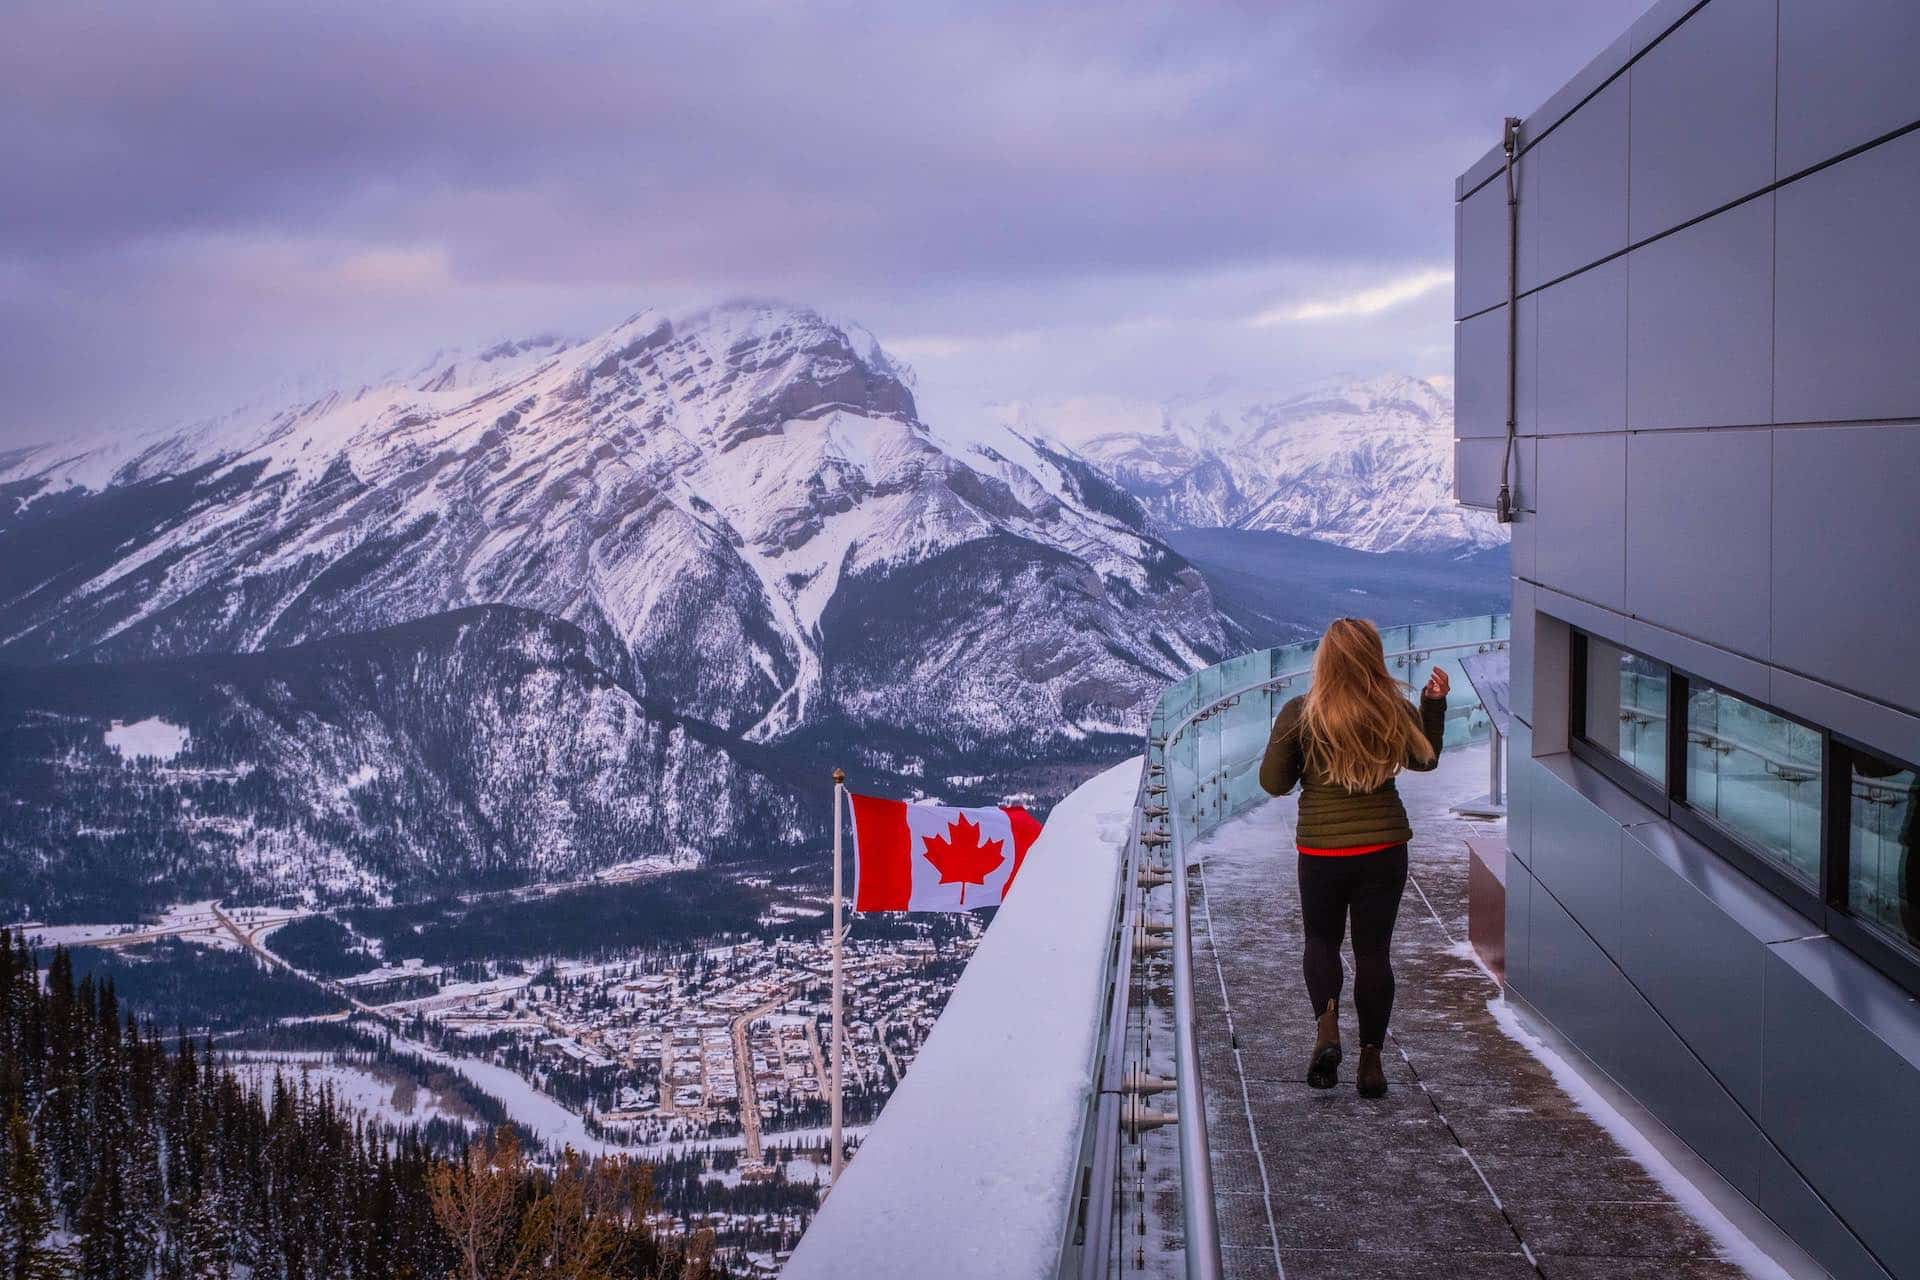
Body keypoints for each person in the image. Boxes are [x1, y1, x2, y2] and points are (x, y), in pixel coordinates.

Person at [1259, 617, 1449, 1098]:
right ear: (1373, 658)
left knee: (1321, 942)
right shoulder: (1393, 709)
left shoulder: (1300, 713)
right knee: (1373, 953)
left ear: (1325, 660)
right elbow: (1424, 761)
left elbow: (1273, 784)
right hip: (1384, 849)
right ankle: (1371, 1061)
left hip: (1321, 850)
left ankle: (1326, 1029)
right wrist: (1432, 705)